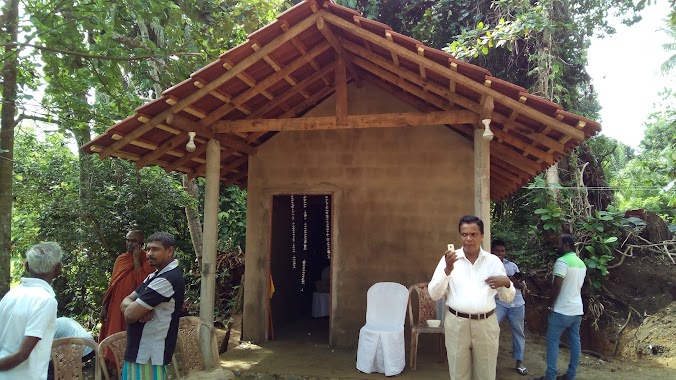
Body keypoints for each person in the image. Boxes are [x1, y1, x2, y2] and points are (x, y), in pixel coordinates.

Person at [429, 215, 515, 380]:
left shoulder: (493, 262)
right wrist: (447, 270)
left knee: (486, 373)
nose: (468, 239)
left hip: (486, 324)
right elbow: (434, 294)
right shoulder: (449, 260)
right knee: (458, 373)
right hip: (456, 323)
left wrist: (507, 283)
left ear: (482, 236)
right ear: (460, 235)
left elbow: (507, 298)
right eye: (464, 234)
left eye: (473, 234)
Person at [120, 232, 185, 379]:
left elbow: (129, 315)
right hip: (140, 352)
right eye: (148, 249)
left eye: (155, 249)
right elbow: (125, 301)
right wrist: (139, 309)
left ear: (170, 251)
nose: (149, 253)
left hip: (147, 353)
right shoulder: (154, 276)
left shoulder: (167, 279)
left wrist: (135, 309)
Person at [0, 242, 63, 380]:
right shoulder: (46, 301)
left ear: (27, 266)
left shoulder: (11, 295)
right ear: (58, 268)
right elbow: (22, 354)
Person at [534, 234, 587, 380]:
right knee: (575, 342)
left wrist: (550, 305)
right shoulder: (581, 263)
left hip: (561, 310)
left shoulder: (562, 262)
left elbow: (557, 285)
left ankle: (550, 376)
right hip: (576, 310)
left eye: (559, 243)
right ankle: (571, 375)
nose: (556, 246)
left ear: (566, 245)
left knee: (552, 342)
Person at [99, 230, 154, 343]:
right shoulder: (121, 259)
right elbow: (112, 285)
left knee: (128, 338)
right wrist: (104, 306)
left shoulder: (147, 260)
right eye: (128, 240)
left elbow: (144, 284)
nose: (129, 243)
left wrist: (136, 259)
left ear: (141, 243)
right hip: (115, 305)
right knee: (112, 334)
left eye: (133, 241)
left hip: (133, 306)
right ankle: (111, 360)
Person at [491, 239, 529, 376]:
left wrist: (512, 281)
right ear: (492, 251)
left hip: (517, 303)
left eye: (502, 251)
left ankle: (519, 362)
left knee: (519, 333)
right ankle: (490, 362)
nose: (500, 253)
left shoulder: (512, 266)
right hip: (499, 303)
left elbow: (522, 286)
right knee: (491, 330)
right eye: (497, 251)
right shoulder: (489, 266)